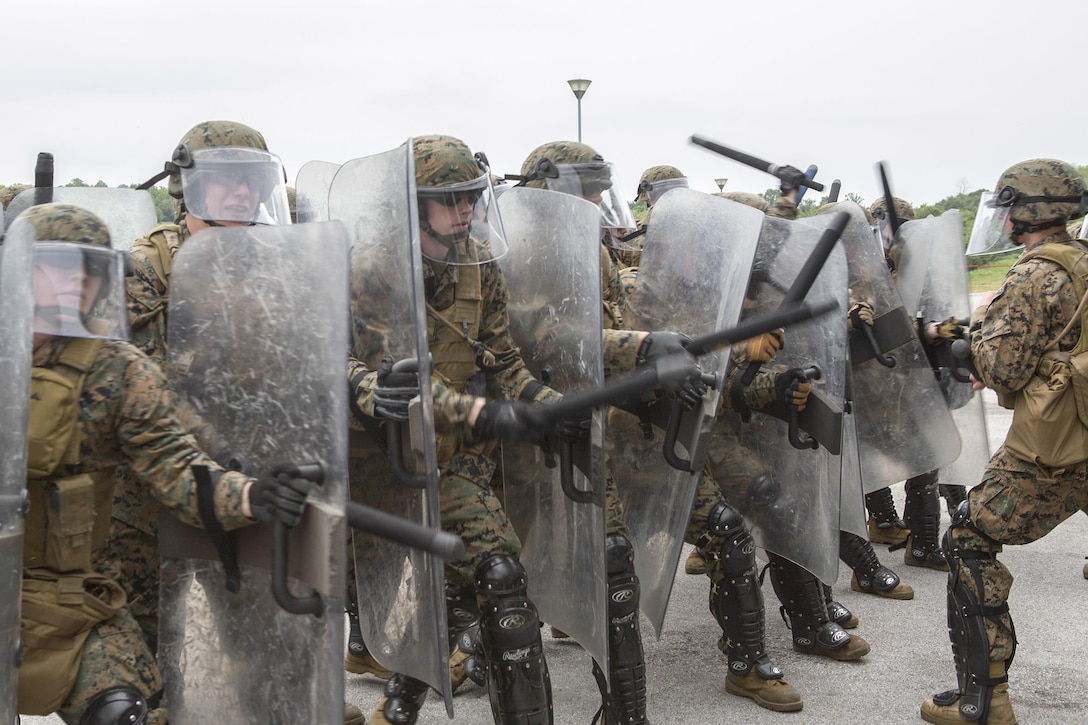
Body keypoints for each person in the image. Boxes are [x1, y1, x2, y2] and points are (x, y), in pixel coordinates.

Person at [13, 203, 305, 725]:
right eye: (56, 268)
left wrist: (246, 495)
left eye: (88, 271)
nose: (73, 285)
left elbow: (176, 465)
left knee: (121, 710)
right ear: (17, 271)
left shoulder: (118, 368)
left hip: (66, 592)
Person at [116, 120, 366, 725]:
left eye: (249, 181)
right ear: (186, 187)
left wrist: (362, 388)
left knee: (266, 644)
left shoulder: (282, 262)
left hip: (258, 480)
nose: (237, 194)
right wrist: (227, 448)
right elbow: (146, 391)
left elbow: (315, 360)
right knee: (152, 672)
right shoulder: (148, 267)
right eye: (222, 179)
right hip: (160, 488)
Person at [349, 135, 598, 725]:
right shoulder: (373, 270)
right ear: (414, 205)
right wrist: (369, 386)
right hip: (384, 458)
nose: (464, 210)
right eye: (448, 199)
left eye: (470, 197)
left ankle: (399, 706)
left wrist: (547, 403)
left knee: (468, 581)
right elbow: (356, 364)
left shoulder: (479, 264)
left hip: (456, 453)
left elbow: (502, 360)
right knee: (499, 569)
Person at [921, 158, 1088, 725]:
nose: (1007, 220)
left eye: (1011, 208)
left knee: (969, 536)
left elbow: (1008, 371)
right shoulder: (1084, 262)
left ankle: (984, 701)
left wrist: (973, 351)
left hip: (1058, 444)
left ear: (1028, 210)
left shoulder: (1032, 276)